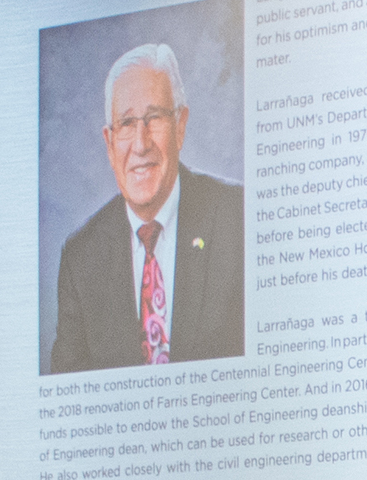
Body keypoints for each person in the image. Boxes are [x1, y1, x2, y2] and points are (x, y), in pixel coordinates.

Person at [50, 40, 245, 373]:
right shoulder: (81, 258)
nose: (140, 144)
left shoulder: (237, 218)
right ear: (109, 143)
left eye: (154, 117)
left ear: (180, 125)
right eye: (126, 124)